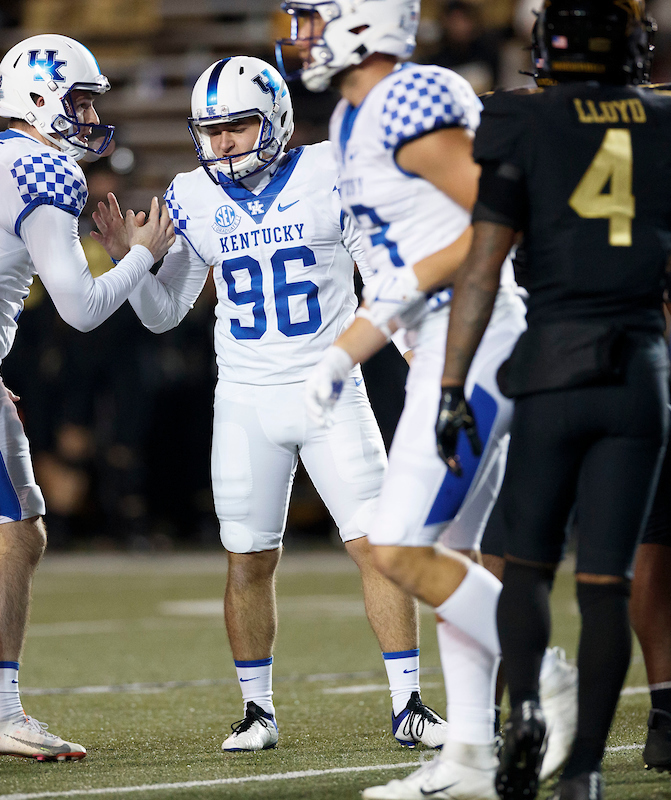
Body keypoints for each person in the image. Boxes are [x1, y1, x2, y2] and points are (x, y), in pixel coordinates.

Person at [99, 54, 446, 753]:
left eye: (239, 125)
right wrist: (132, 264)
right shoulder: (191, 194)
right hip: (247, 398)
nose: (224, 141)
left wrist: (420, 357)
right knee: (248, 559)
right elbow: (167, 312)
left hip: (330, 389)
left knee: (378, 548)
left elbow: (381, 275)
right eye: (213, 129)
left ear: (277, 119)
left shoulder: (328, 172)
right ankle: (257, 711)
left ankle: (408, 703)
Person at [277, 2, 577, 798]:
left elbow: (496, 217)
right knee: (446, 554)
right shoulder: (352, 112)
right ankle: (471, 755)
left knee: (399, 545)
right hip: (437, 341)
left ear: (362, 25)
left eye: (314, 18)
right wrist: (347, 352)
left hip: (473, 340)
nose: (300, 35)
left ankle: (547, 675)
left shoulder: (407, 99)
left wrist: (402, 296)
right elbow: (402, 253)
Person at [436, 0, 671, 796]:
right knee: (610, 580)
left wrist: (452, 384)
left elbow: (480, 267)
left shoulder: (516, 123)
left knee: (524, 568)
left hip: (548, 363)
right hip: (638, 370)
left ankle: (520, 712)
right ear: (633, 47)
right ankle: (590, 771)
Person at [0, 33, 174, 762]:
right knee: (21, 533)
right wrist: (143, 256)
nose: (89, 114)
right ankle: (1, 711)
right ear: (39, 97)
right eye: (79, 99)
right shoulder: (46, 169)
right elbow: (82, 307)